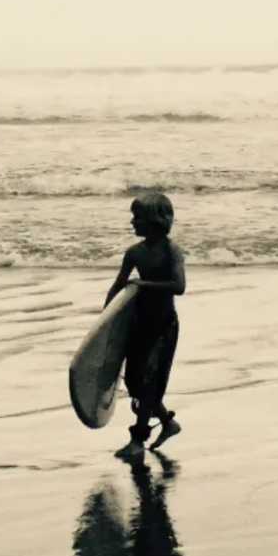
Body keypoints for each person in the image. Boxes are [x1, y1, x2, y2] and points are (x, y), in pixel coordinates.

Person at [103, 193, 186, 458]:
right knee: (136, 383)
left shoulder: (171, 250)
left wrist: (143, 284)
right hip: (139, 324)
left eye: (137, 217)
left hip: (163, 326)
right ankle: (168, 423)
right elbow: (118, 285)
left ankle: (137, 440)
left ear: (154, 220)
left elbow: (179, 286)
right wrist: (104, 320)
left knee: (150, 383)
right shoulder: (134, 253)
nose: (132, 222)